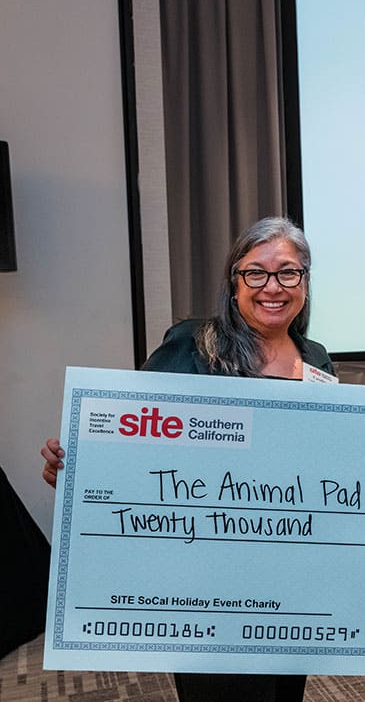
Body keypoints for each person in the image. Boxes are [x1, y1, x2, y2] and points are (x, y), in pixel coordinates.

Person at [41, 216, 332, 702]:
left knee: (283, 689)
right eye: (255, 272)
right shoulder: (193, 344)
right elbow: (132, 426)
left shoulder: (317, 358)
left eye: (288, 272)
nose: (272, 287)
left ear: (304, 282)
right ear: (234, 282)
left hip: (289, 571)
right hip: (205, 575)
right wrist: (80, 466)